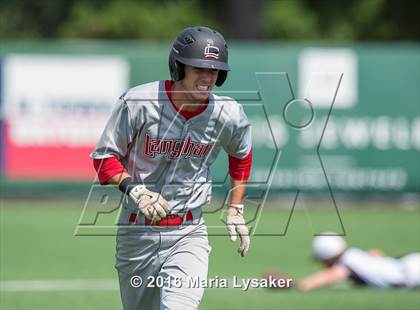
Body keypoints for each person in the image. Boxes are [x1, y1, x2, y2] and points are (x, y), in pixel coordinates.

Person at [90, 26, 252, 310]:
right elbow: (104, 159)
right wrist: (136, 191)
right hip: (135, 233)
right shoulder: (139, 102)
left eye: (213, 71)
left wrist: (235, 208)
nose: (206, 78)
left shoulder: (228, 114)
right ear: (178, 67)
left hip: (188, 232)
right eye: (198, 68)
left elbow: (241, 156)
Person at [297, 233, 420, 291]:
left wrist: (290, 284)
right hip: (410, 263)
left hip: (413, 273)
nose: (322, 264)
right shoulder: (353, 253)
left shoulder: (345, 265)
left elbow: (311, 283)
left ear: (328, 257)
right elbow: (377, 252)